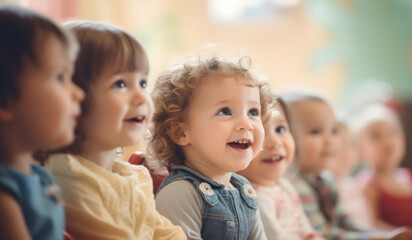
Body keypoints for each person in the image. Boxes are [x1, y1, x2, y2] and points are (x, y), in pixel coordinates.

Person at [43, 21, 186, 240]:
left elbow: (168, 234)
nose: (141, 97)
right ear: (74, 97)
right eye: (120, 84)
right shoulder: (66, 175)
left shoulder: (133, 174)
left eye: (143, 83)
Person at [150, 55, 273, 240]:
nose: (247, 124)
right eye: (225, 111)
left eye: (253, 112)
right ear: (180, 132)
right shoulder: (180, 193)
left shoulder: (244, 190)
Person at [282, 88, 412, 240]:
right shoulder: (295, 184)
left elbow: (346, 223)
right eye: (315, 131)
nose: (330, 140)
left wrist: (389, 236)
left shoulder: (325, 179)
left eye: (333, 131)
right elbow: (323, 233)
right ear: (287, 136)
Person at [0, 6, 84, 240]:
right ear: (5, 101)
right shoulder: (5, 198)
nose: (79, 93)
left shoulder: (36, 176)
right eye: (60, 77)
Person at [238, 97, 325, 240]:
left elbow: (306, 230)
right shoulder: (252, 198)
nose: (275, 142)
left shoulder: (286, 187)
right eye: (260, 133)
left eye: (280, 129)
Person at [350, 103, 412, 231]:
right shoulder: (368, 185)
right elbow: (371, 225)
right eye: (376, 136)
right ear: (359, 150)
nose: (387, 140)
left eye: (392, 132)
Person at [326, 122, 376, 229]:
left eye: (352, 144)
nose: (348, 151)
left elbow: (372, 224)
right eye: (341, 144)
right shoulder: (326, 190)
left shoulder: (355, 185)